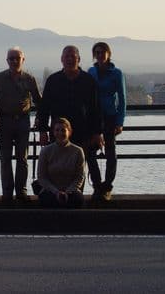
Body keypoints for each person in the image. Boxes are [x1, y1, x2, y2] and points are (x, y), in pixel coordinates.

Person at [36, 45, 102, 195]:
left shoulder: (88, 80)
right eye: (67, 56)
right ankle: (56, 195)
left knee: (81, 166)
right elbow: (44, 107)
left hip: (82, 131)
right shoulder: (53, 80)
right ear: (61, 60)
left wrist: (97, 132)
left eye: (73, 56)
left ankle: (76, 195)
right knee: (55, 164)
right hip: (58, 131)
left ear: (79, 59)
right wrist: (43, 131)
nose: (70, 59)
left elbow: (96, 109)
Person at [0, 46, 41, 202]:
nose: (14, 61)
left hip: (23, 121)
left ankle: (21, 192)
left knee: (22, 159)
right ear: (7, 61)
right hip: (4, 121)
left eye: (17, 58)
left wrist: (38, 117)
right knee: (5, 159)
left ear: (22, 60)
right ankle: (7, 192)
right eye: (11, 58)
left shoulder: (29, 79)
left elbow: (39, 101)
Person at [87, 42, 126, 201]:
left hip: (110, 116)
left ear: (109, 54)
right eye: (97, 52)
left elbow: (122, 99)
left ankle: (107, 186)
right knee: (90, 152)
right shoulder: (91, 72)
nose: (100, 54)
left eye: (102, 52)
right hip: (94, 117)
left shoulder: (117, 73)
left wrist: (120, 121)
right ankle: (97, 185)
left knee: (111, 152)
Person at [37, 117, 85, 208]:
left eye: (63, 130)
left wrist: (67, 192)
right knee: (45, 200)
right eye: (57, 130)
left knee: (78, 200)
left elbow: (80, 177)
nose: (60, 133)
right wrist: (56, 192)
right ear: (53, 132)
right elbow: (42, 177)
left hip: (71, 190)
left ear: (69, 132)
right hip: (50, 190)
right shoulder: (46, 151)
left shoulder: (78, 151)